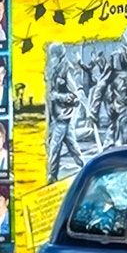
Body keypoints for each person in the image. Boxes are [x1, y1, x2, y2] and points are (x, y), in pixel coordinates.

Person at [46, 43, 86, 183]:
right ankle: (84, 167)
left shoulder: (66, 70)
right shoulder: (55, 69)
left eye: (53, 56)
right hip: (58, 116)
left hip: (63, 116)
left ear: (58, 55)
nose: (52, 58)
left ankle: (52, 176)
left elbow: (75, 96)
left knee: (54, 147)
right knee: (72, 145)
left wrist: (58, 97)